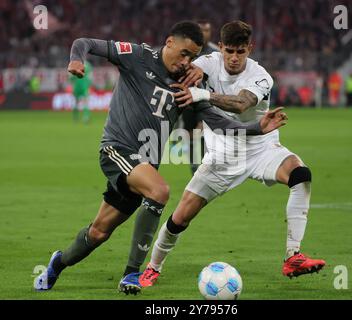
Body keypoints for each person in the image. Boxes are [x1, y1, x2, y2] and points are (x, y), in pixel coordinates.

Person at [33, 21, 287, 294]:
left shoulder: (187, 84)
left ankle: (57, 264)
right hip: (116, 149)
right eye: (185, 53)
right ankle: (132, 274)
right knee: (160, 191)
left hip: (142, 166)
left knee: (98, 232)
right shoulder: (137, 56)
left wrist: (256, 128)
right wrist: (76, 60)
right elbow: (85, 42)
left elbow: (219, 122)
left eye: (193, 56)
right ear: (169, 43)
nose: (188, 61)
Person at [139, 21, 326, 288]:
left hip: (262, 149)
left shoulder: (260, 75)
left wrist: (202, 93)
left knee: (301, 175)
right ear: (221, 47)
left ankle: (293, 256)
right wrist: (189, 75)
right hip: (221, 156)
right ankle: (152, 267)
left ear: (250, 48)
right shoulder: (208, 62)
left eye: (241, 51)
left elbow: (241, 104)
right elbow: (186, 71)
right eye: (229, 51)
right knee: (180, 217)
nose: (234, 58)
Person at [182, 20, 219, 174]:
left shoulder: (215, 53)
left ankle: (205, 166)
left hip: (206, 99)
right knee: (190, 134)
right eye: (201, 29)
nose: (205, 33)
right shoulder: (188, 50)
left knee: (205, 131)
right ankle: (193, 166)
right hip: (188, 99)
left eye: (207, 29)